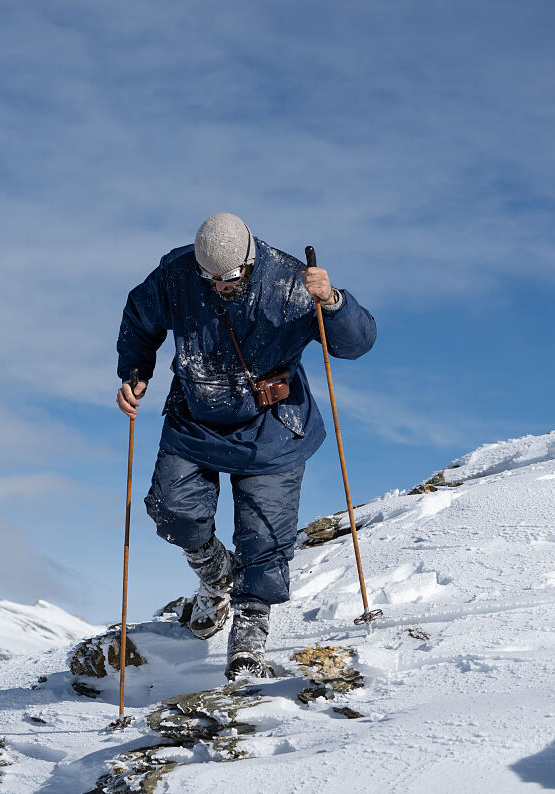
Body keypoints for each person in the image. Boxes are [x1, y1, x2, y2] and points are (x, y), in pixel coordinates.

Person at [115, 212, 377, 679]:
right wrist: (135, 374)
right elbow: (140, 316)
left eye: (229, 276)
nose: (218, 284)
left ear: (249, 260)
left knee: (265, 534)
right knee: (172, 509)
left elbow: (356, 344)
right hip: (195, 414)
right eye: (208, 277)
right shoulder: (177, 274)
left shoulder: (292, 280)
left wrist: (334, 303)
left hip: (272, 425)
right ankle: (217, 576)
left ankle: (249, 636)